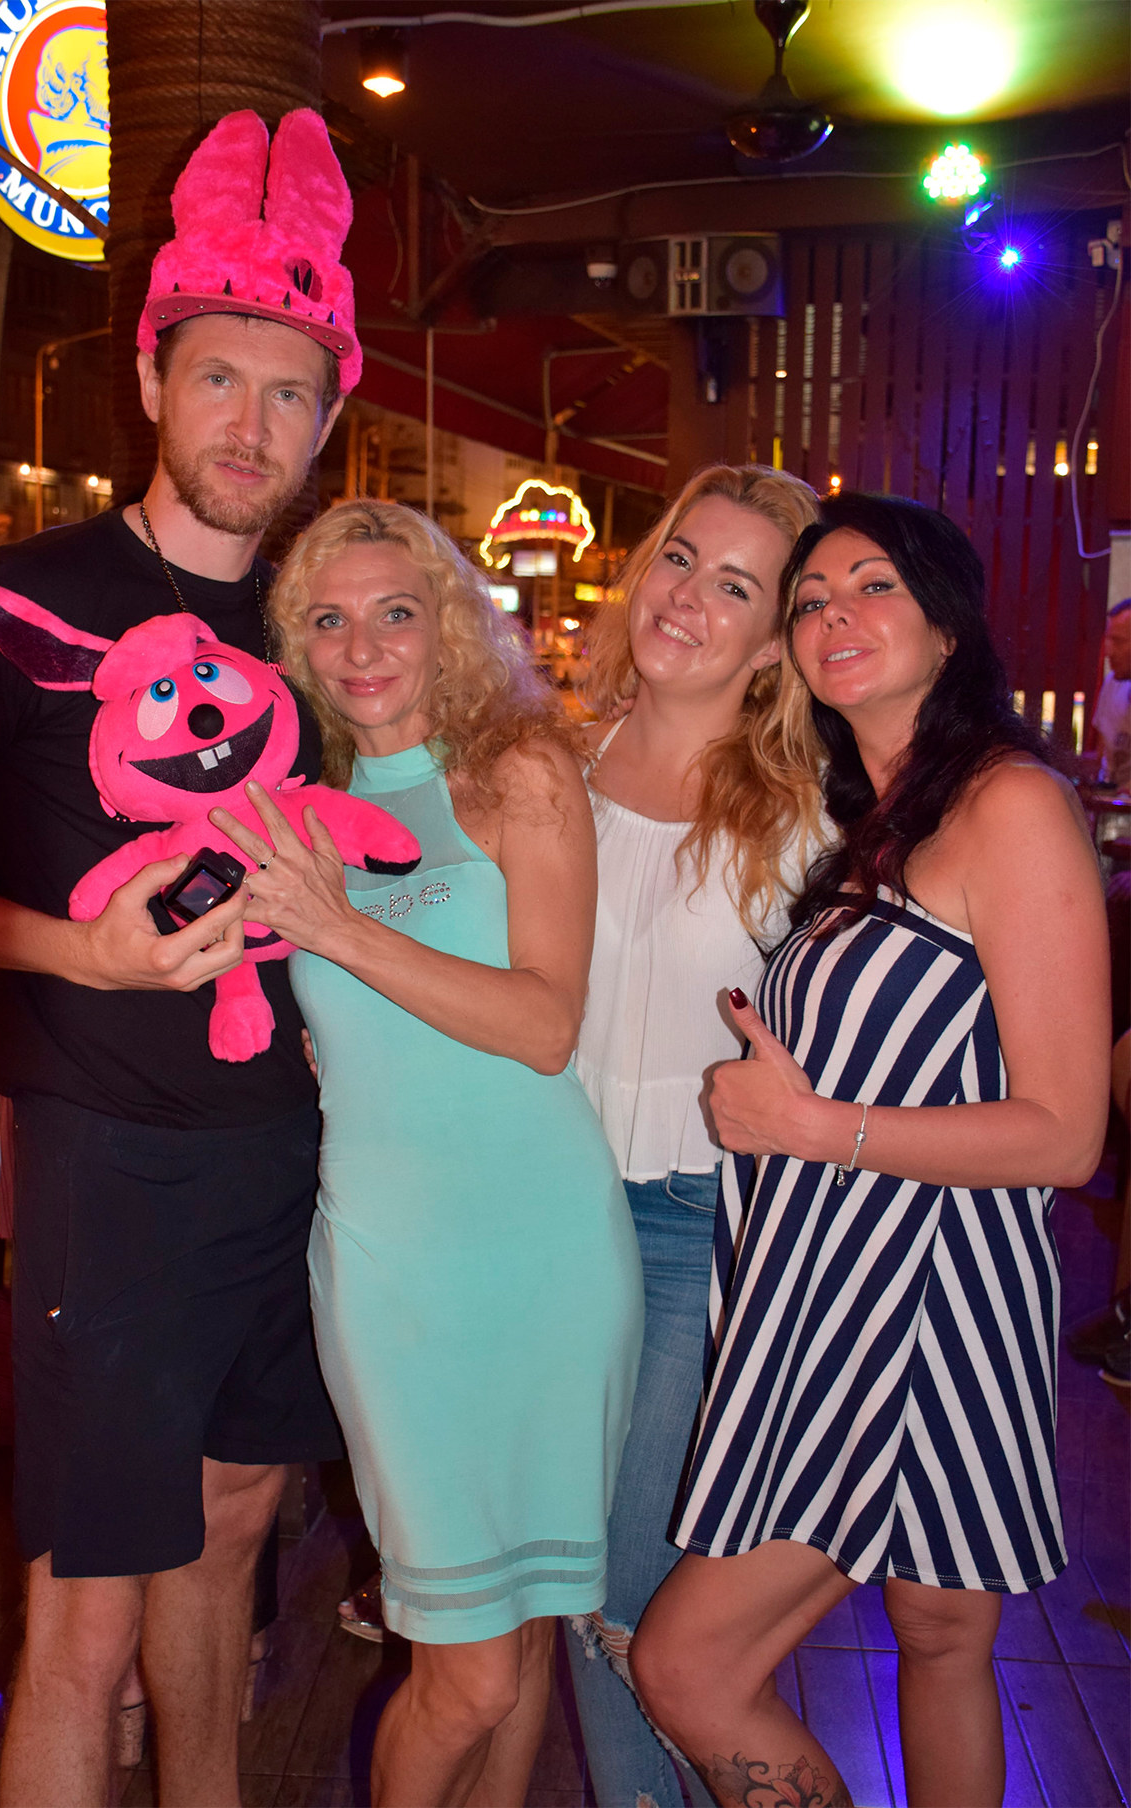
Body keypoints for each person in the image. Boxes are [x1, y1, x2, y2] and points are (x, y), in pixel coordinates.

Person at [0, 108, 360, 1808]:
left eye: (289, 394)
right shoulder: (12, 602)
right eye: (221, 379)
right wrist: (75, 954)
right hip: (109, 1169)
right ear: (152, 379)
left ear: (328, 417)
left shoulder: (330, 626)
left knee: (236, 1533)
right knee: (81, 1613)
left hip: (302, 1159)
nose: (251, 424)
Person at [630, 493, 1110, 1808]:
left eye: (874, 585)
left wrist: (812, 1128)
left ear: (948, 625)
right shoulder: (879, 820)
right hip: (843, 1289)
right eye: (811, 599)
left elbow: (1067, 1133)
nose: (835, 613)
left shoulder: (1011, 805)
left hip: (914, 1305)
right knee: (940, 1636)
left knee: (688, 1665)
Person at [211, 498, 643, 1808]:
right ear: (293, 646)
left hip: (552, 1252)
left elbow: (543, 1024)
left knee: (526, 1630)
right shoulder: (286, 811)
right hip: (395, 1272)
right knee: (469, 1674)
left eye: (395, 613)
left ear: (448, 623)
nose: (363, 648)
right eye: (328, 620)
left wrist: (343, 933)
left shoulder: (518, 772)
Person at [562, 464, 829, 1808]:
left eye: (737, 586)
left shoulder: (812, 814)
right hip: (545, 1211)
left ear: (776, 641)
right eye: (680, 558)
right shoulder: (557, 759)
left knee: (629, 1598)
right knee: (573, 1588)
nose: (689, 598)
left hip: (694, 1226)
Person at [1091, 598, 1130, 791]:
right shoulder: (1111, 684)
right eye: (1109, 639)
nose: (1109, 652)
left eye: (1118, 641)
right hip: (1109, 802)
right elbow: (1101, 755)